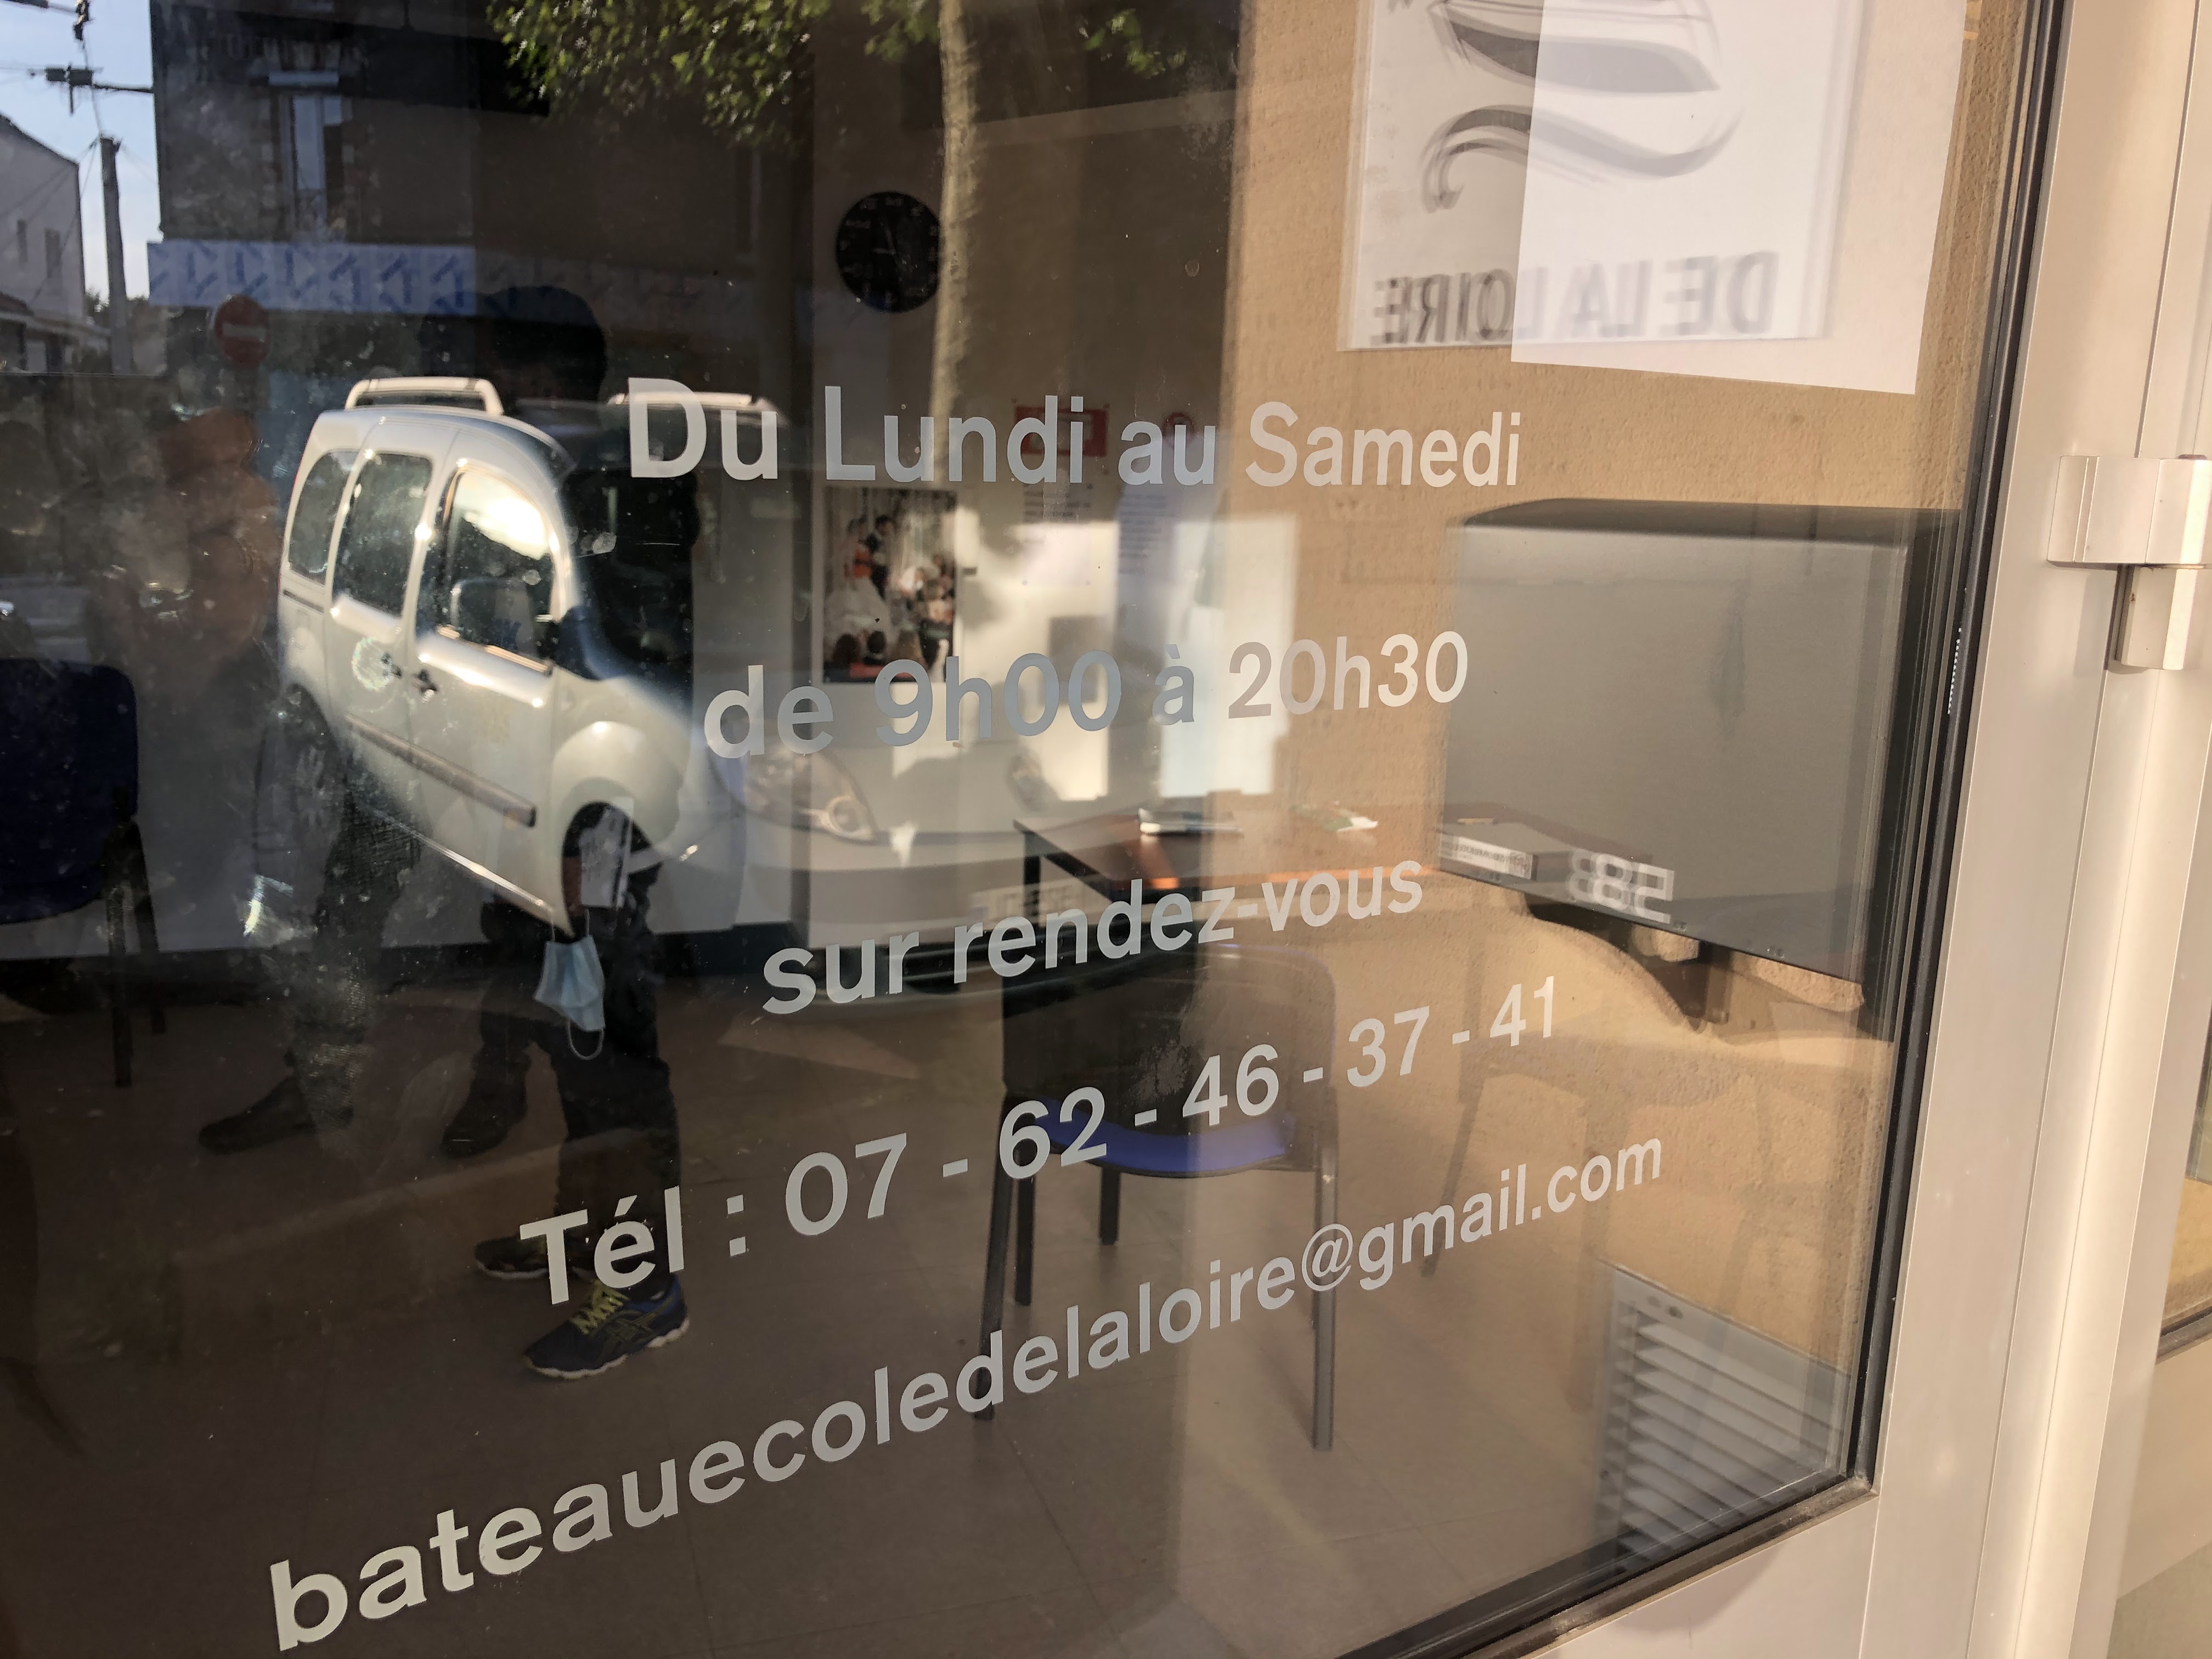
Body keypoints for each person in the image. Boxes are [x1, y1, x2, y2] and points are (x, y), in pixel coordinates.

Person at [198, 285, 690, 1381]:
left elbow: (634, 673)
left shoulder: (613, 488)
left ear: (543, 380)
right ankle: (588, 1240)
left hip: (584, 811)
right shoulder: (521, 474)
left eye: (500, 371)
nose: (486, 390)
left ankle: (644, 1286)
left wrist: (589, 841)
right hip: (497, 789)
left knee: (607, 1046)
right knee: (560, 1023)